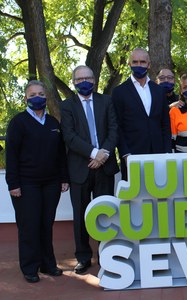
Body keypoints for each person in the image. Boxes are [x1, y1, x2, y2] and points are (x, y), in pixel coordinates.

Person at [6, 80, 69, 283]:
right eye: (32, 94)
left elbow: (61, 154)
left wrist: (64, 178)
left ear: (46, 96)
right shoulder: (18, 122)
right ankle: (30, 267)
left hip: (51, 183)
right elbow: (11, 155)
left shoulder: (53, 123)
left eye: (40, 94)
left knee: (46, 224)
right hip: (26, 184)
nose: (37, 97)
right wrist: (13, 184)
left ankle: (48, 264)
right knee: (29, 226)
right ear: (26, 98)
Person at [60, 65, 119, 274]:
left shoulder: (107, 101)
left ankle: (107, 256)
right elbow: (69, 136)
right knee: (81, 216)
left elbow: (114, 129)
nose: (83, 82)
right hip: (80, 168)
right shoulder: (67, 106)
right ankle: (83, 257)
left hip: (105, 168)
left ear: (94, 80)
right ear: (73, 82)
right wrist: (95, 154)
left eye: (87, 78)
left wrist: (104, 154)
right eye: (79, 79)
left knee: (106, 214)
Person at [112, 48, 171, 179]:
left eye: (142, 62)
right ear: (129, 64)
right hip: (132, 156)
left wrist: (167, 152)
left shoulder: (159, 91)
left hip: (159, 155)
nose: (139, 65)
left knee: (160, 197)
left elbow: (165, 124)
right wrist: (125, 154)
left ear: (149, 64)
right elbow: (117, 127)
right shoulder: (119, 92)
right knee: (135, 199)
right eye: (135, 62)